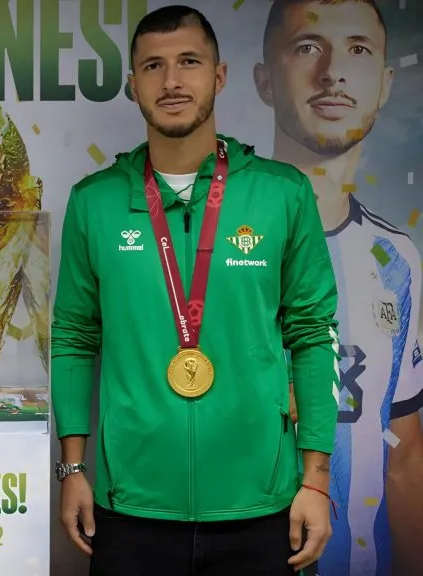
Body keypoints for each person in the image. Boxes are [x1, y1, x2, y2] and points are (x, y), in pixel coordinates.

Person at [51, 5, 340, 575]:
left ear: (220, 75)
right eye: (153, 66)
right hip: (131, 510)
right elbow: (74, 337)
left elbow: (313, 335)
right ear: (133, 85)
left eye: (189, 62)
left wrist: (315, 480)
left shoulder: (281, 194)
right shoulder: (95, 202)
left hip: (262, 510)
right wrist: (74, 468)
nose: (172, 81)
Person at [253, 1, 423, 573]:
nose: (333, 73)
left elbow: (405, 455)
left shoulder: (397, 260)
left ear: (385, 83)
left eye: (357, 50)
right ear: (264, 80)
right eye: (308, 47)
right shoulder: (212, 242)